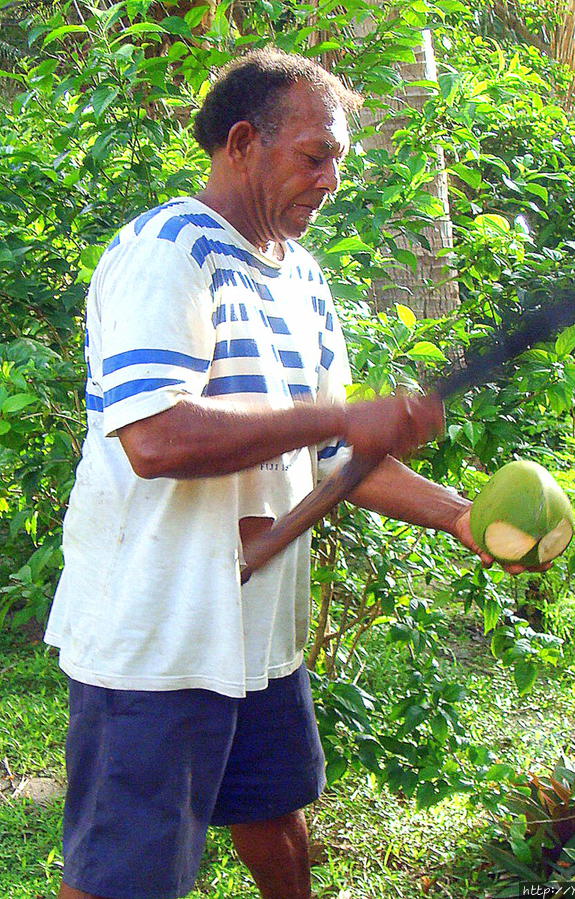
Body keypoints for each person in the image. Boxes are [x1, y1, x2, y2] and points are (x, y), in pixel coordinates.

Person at [45, 49, 539, 899]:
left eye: (340, 160)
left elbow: (334, 463)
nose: (332, 178)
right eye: (316, 156)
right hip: (158, 634)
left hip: (257, 626)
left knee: (275, 817)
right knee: (124, 873)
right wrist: (345, 415)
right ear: (243, 142)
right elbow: (155, 438)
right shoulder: (169, 252)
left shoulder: (302, 278)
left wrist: (460, 515)